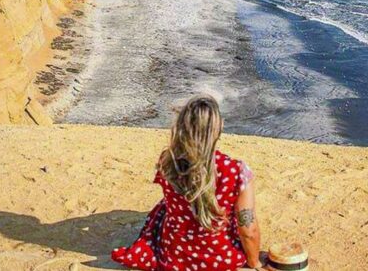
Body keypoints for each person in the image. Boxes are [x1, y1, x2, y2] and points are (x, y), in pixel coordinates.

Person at [112, 95, 263, 270]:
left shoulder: (168, 161)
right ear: (218, 128)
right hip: (221, 258)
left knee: (162, 208)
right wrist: (254, 263)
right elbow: (248, 229)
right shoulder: (236, 171)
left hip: (174, 255)